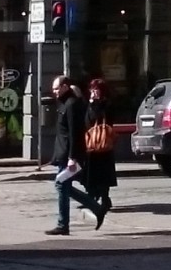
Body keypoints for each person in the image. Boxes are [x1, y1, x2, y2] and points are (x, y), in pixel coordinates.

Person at [68, 81, 116, 231]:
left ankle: (104, 199)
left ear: (102, 91)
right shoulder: (88, 104)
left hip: (103, 146)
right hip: (92, 145)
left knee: (104, 175)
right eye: (92, 89)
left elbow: (101, 118)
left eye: (96, 90)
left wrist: (95, 104)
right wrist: (90, 103)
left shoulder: (106, 104)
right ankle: (93, 197)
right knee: (91, 174)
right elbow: (86, 120)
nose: (93, 92)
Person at [43, 76, 87, 235]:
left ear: (65, 87)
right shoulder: (64, 103)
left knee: (61, 185)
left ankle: (63, 225)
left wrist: (72, 158)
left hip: (68, 155)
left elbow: (74, 134)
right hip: (63, 153)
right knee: (63, 185)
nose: (54, 91)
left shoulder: (71, 104)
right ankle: (96, 208)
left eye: (56, 88)